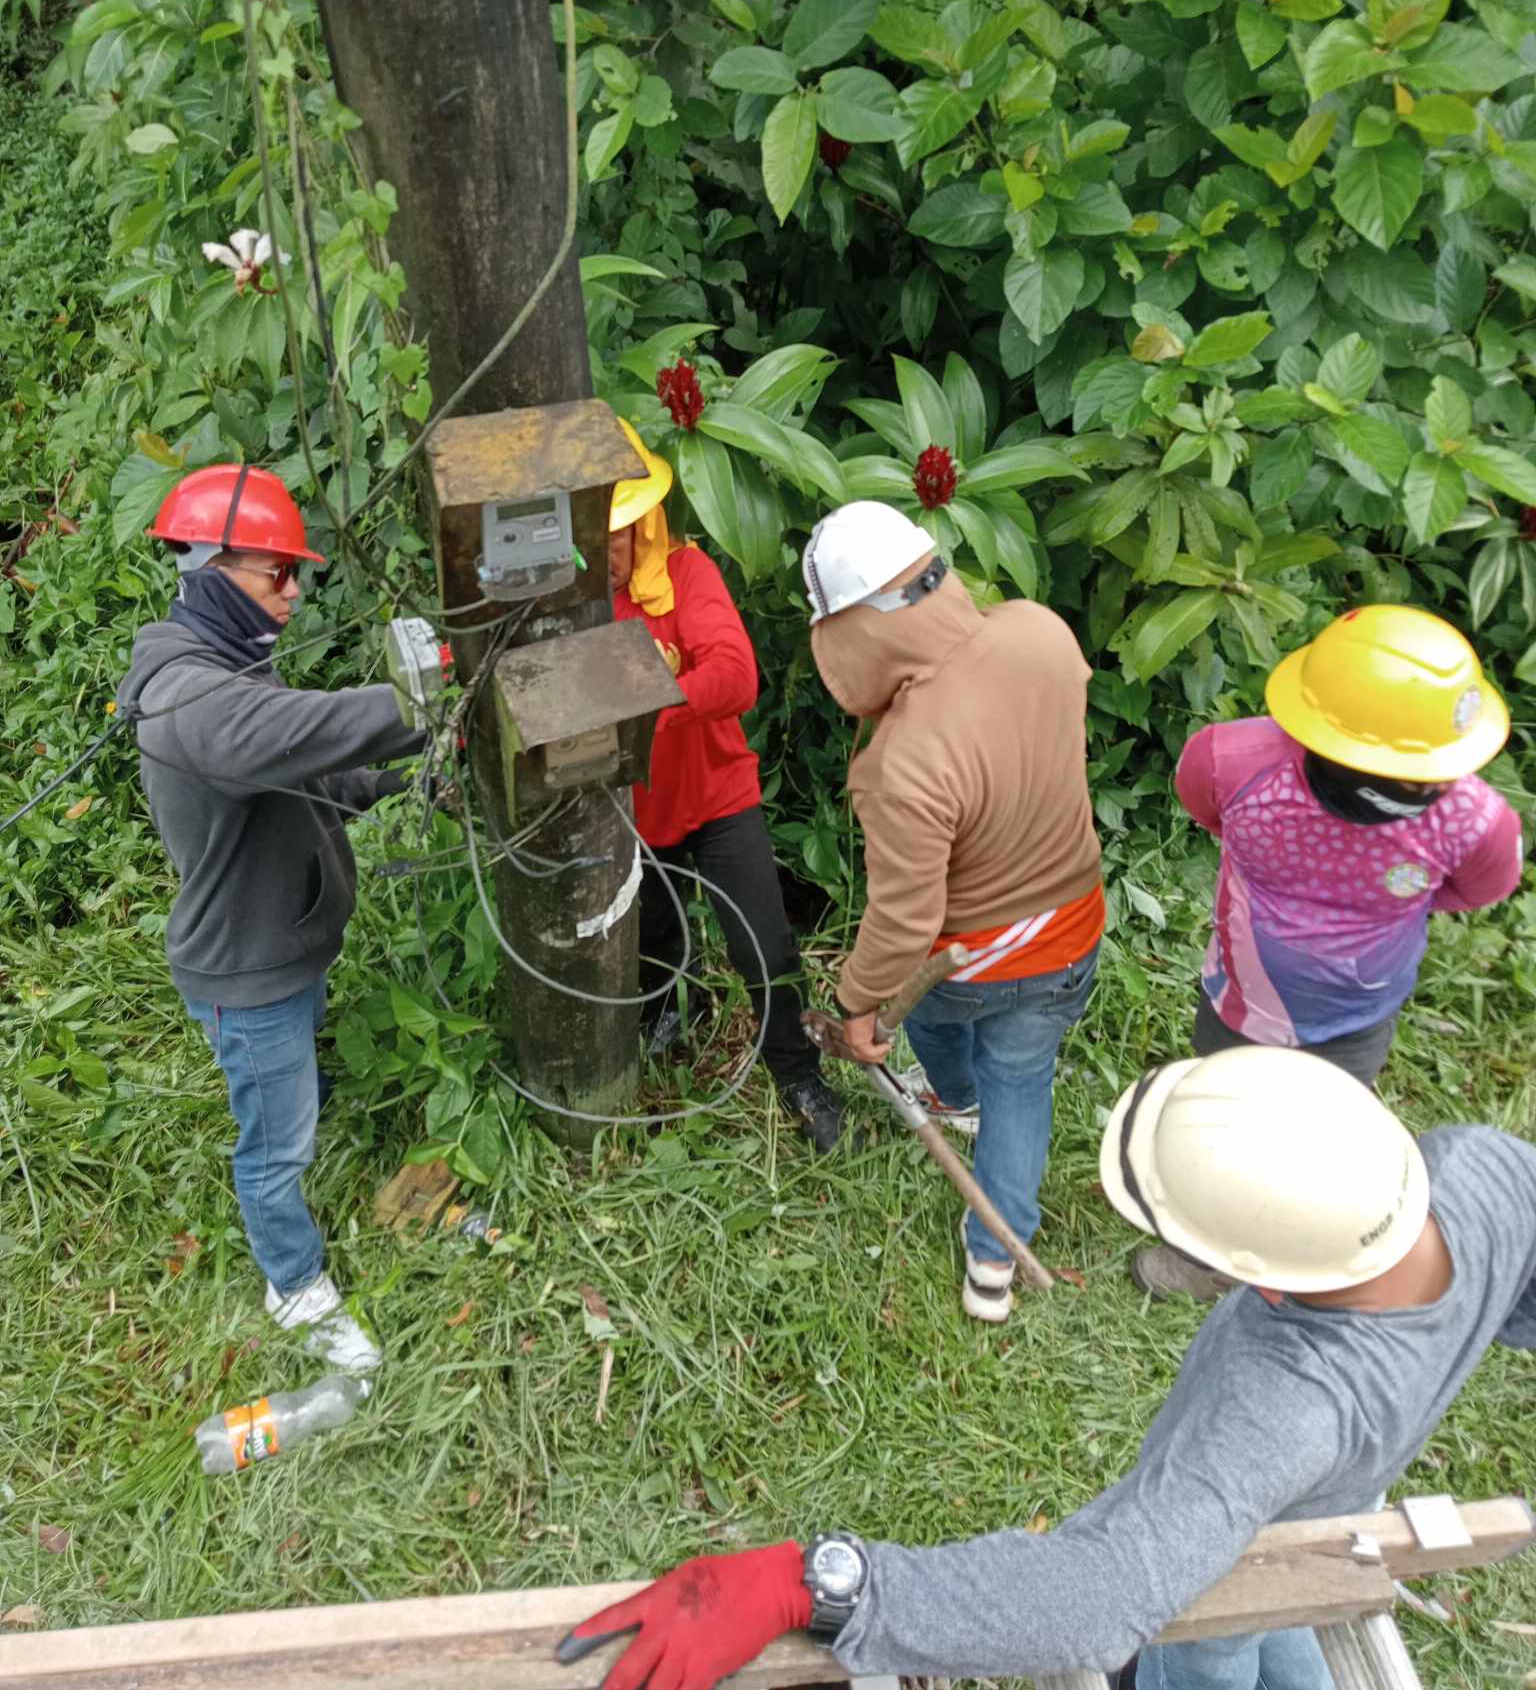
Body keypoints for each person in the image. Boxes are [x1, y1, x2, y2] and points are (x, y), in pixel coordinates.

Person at [558, 1044, 1536, 1690]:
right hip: (1337, 1510)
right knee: (1305, 1609)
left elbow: (1098, 1599)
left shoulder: (1277, 1406)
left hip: (1217, 1573)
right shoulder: (1485, 1173)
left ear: (1261, 1281)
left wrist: (818, 1583)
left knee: (1212, 1650)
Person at [117, 465, 427, 1373]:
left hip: (285, 945)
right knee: (274, 1143)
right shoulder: (188, 698)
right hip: (247, 973)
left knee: (291, 1099)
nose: (293, 593)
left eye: (298, 574)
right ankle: (293, 1284)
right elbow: (292, 733)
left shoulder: (231, 665)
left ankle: (300, 1154)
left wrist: (402, 781)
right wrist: (429, 697)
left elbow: (309, 771)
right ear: (210, 569)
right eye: (274, 574)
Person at [1137, 603, 1523, 1301]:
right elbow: (1475, 890)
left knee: (1277, 1130)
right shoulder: (1239, 763)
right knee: (1248, 1121)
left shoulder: (1235, 759)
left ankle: (1261, 1250)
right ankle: (1221, 1252)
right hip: (1275, 998)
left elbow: (1477, 888)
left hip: (1311, 1005)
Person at [800, 500, 1101, 1319]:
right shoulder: (1041, 630)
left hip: (965, 964)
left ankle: (954, 1096)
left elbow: (903, 924)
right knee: (1024, 1085)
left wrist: (859, 1006)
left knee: (928, 1022)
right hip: (1072, 931)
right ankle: (993, 1265)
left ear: (851, 634)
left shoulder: (901, 762)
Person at [608, 420, 844, 1152]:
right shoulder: (564, 599)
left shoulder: (685, 576)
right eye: (588, 535)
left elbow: (737, 675)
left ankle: (798, 1074)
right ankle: (675, 1014)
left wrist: (650, 703)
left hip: (715, 796)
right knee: (651, 937)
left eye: (616, 534)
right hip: (632, 815)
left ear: (646, 524)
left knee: (763, 944)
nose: (601, 552)